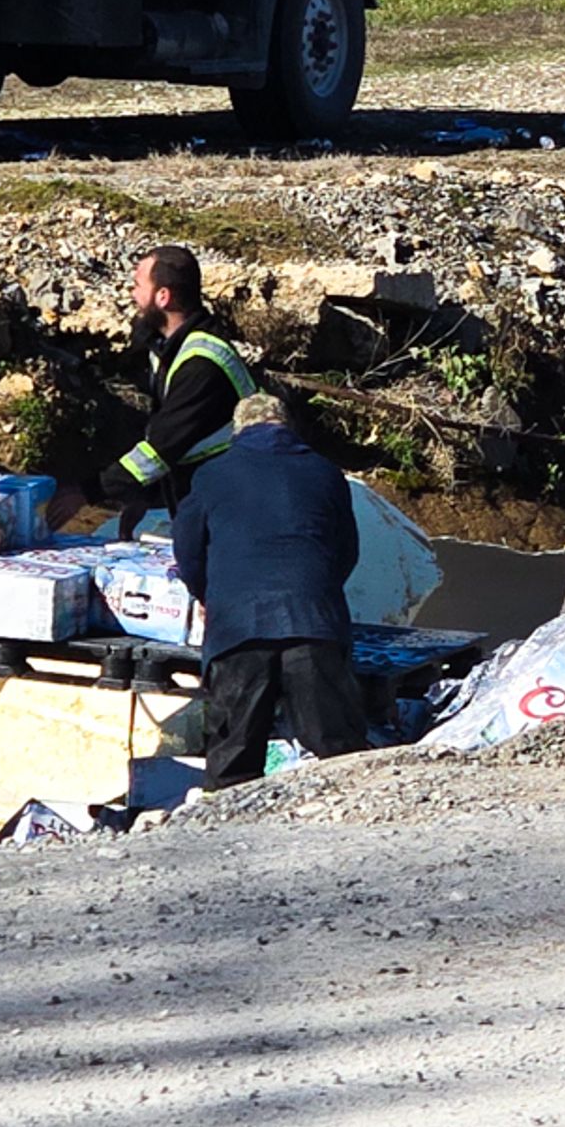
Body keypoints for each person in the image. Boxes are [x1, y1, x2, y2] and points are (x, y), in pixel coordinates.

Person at [175, 392, 369, 790]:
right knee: (338, 752)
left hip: (238, 629)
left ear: (238, 430)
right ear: (287, 426)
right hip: (314, 624)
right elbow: (346, 551)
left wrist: (208, 597)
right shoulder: (325, 472)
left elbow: (188, 552)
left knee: (233, 758)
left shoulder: (211, 474)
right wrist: (318, 593)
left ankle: (227, 837)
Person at [103, 243, 258, 525]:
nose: (132, 295)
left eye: (137, 286)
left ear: (163, 296)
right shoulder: (167, 348)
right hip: (206, 492)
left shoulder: (202, 364)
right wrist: (142, 496)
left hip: (235, 500)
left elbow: (161, 447)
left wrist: (88, 491)